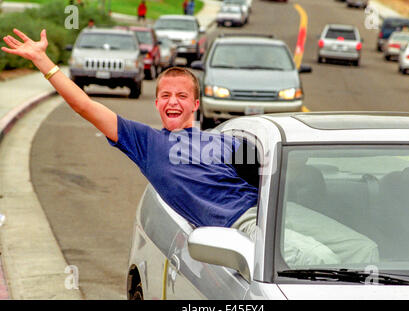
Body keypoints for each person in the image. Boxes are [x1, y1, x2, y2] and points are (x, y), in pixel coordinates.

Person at [0, 28, 259, 236]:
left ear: (195, 105)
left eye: (182, 96)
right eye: (166, 95)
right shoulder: (147, 143)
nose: (173, 102)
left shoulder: (225, 140)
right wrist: (42, 61)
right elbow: (84, 106)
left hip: (264, 216)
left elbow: (268, 177)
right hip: (240, 231)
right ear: (156, 103)